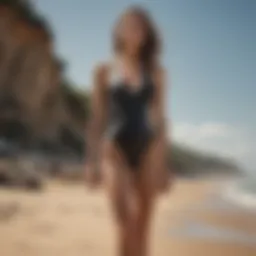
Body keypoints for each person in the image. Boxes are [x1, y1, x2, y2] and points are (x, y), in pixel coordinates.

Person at [85, 5, 172, 256]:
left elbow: (160, 119)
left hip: (149, 153)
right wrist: (91, 161)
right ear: (119, 31)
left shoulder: (157, 73)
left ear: (146, 35)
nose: (134, 32)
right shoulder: (103, 70)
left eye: (140, 27)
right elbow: (97, 119)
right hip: (114, 150)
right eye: (129, 26)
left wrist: (164, 164)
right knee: (125, 224)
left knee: (143, 231)